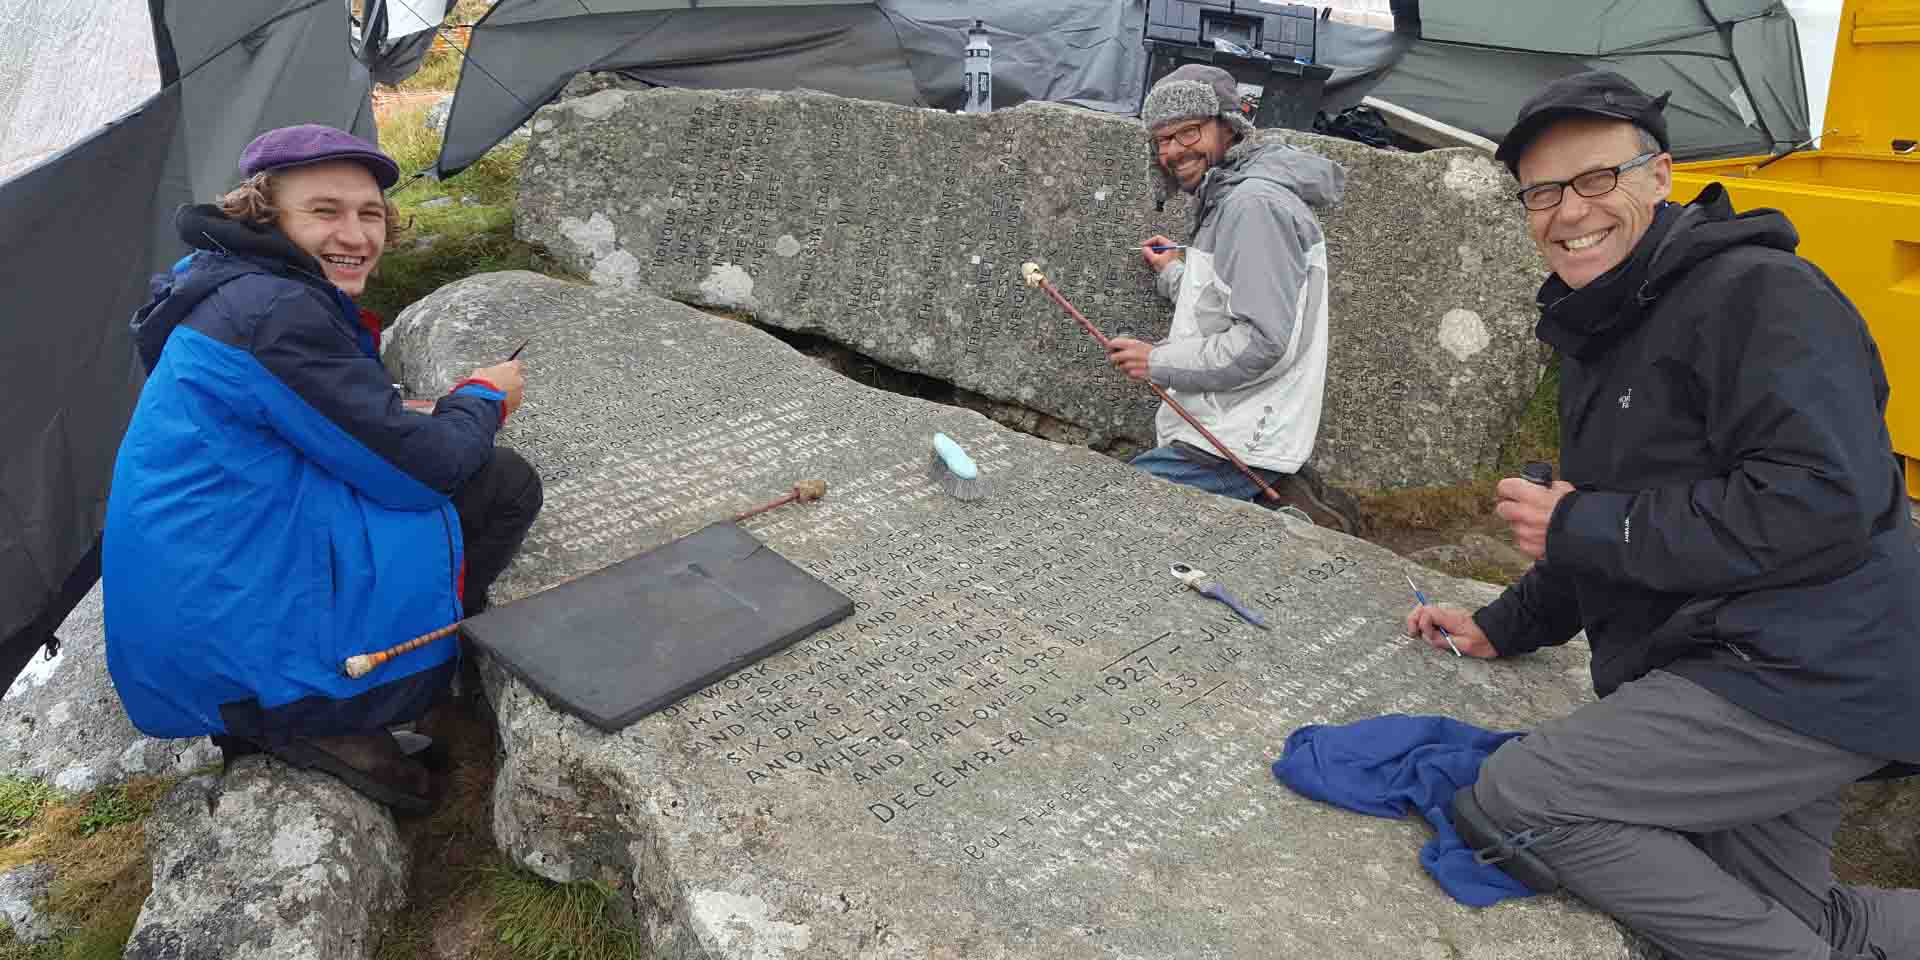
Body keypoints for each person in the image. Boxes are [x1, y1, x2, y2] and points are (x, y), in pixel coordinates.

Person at [1406, 72, 1920, 960]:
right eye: (1541, 192)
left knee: (1520, 800)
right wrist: (1506, 623)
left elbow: (1822, 500)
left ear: (1661, 175)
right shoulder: (1602, 318)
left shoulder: (1763, 296)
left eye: (1596, 180)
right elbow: (1604, 510)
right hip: (1750, 652)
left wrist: (1581, 527)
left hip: (1808, 669)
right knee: (1797, 916)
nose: (1568, 212)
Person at [103, 125, 543, 814]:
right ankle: (335, 711)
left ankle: (307, 705)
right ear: (265, 212)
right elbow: (429, 471)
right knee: (500, 484)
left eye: (370, 214)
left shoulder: (223, 282)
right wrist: (483, 398)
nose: (356, 234)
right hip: (233, 623)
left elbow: (303, 413)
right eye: (324, 211)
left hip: (203, 591)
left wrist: (401, 409)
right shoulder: (276, 310)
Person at [1109, 64, 1360, 533]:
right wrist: (1173, 273)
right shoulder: (1228, 197)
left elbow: (1263, 341)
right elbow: (1228, 300)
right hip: (1222, 430)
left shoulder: (1252, 207)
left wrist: (1157, 361)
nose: (1173, 151)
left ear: (1228, 127)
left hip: (1235, 439)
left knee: (1117, 516)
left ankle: (1281, 513)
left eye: (1189, 132)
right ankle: (1276, 499)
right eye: (1162, 139)